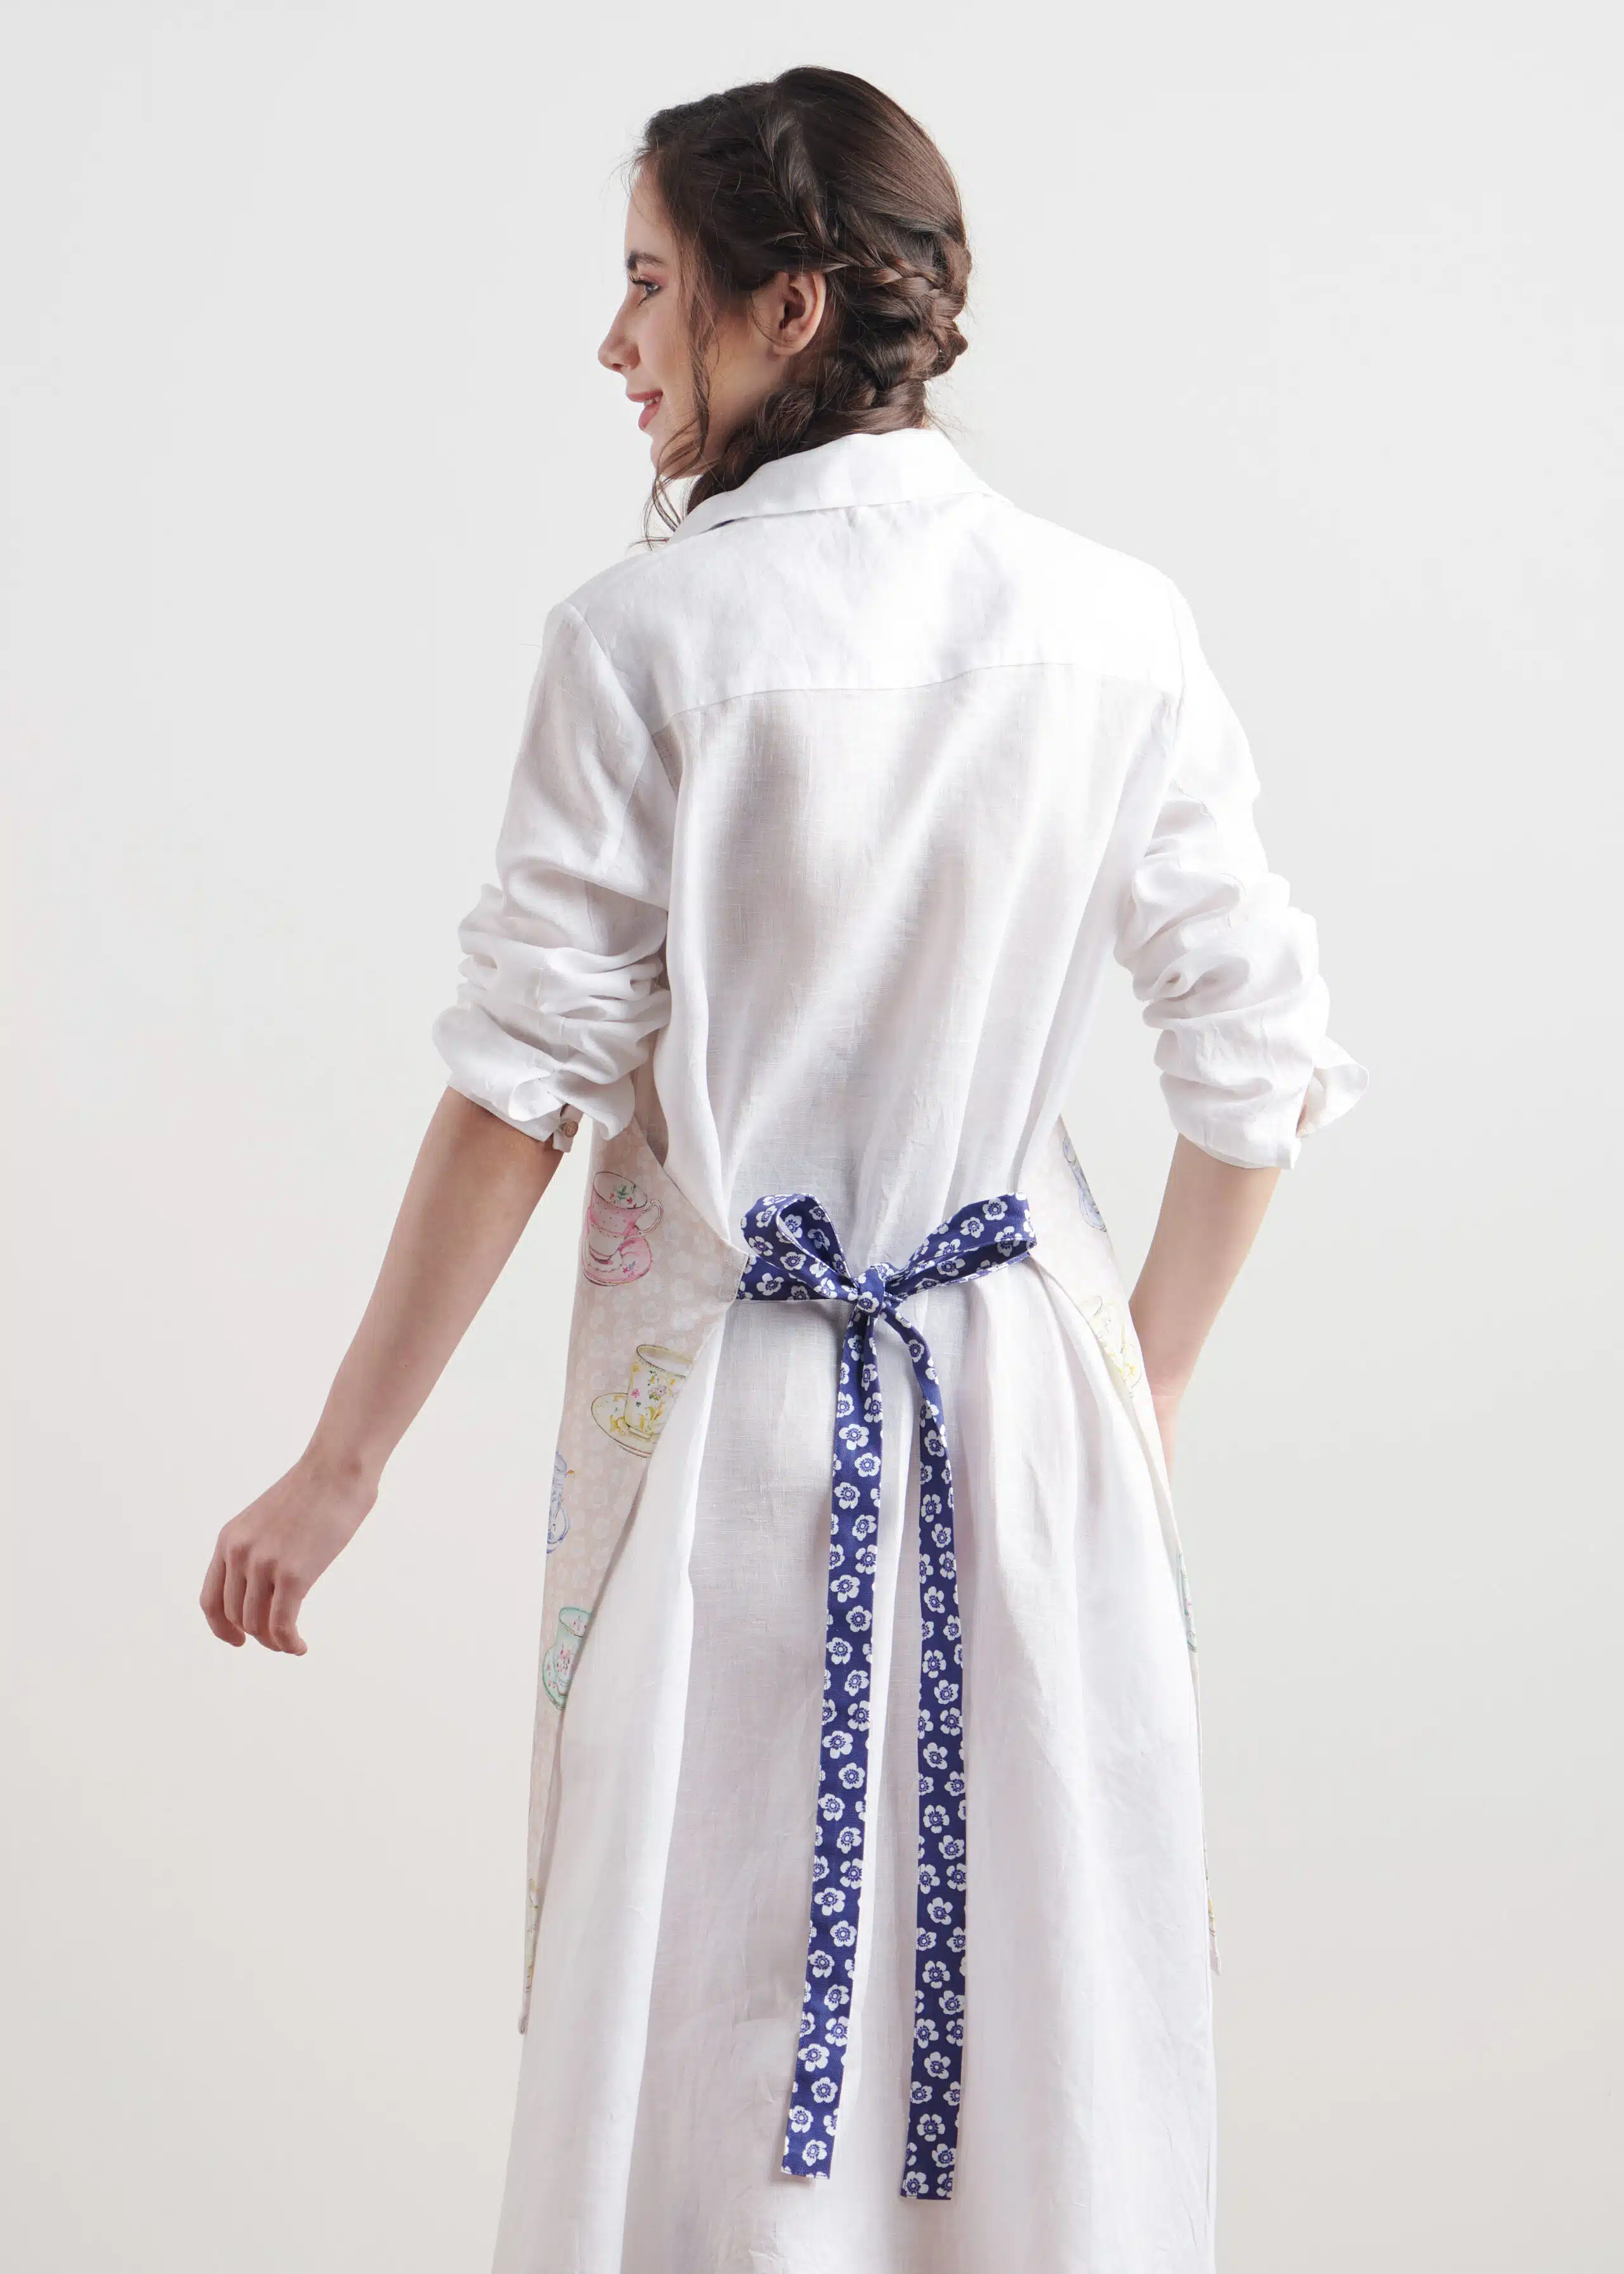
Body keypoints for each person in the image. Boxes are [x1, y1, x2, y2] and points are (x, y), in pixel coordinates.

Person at [200, 64, 1364, 2274]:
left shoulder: (645, 640)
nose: (616, 341)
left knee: (723, 2018)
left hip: (747, 1425)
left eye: (651, 285)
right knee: (1049, 2012)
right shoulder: (1116, 623)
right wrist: (1149, 1383)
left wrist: (340, 1468)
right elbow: (1258, 1056)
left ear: (787, 307)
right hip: (1036, 1422)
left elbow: (520, 1090)